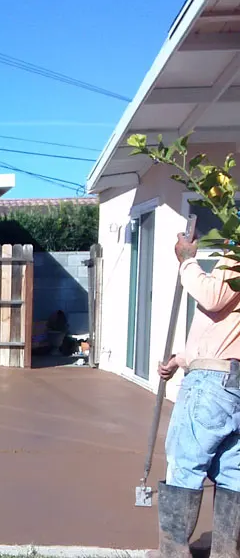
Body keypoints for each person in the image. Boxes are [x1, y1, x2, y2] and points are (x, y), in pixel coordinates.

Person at [151, 232, 240, 558]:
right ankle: (226, 553)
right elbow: (228, 332)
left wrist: (187, 260)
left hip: (213, 383)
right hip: (234, 382)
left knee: (185, 465)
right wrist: (181, 360)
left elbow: (213, 296)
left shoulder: (239, 255)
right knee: (234, 473)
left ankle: (172, 553)